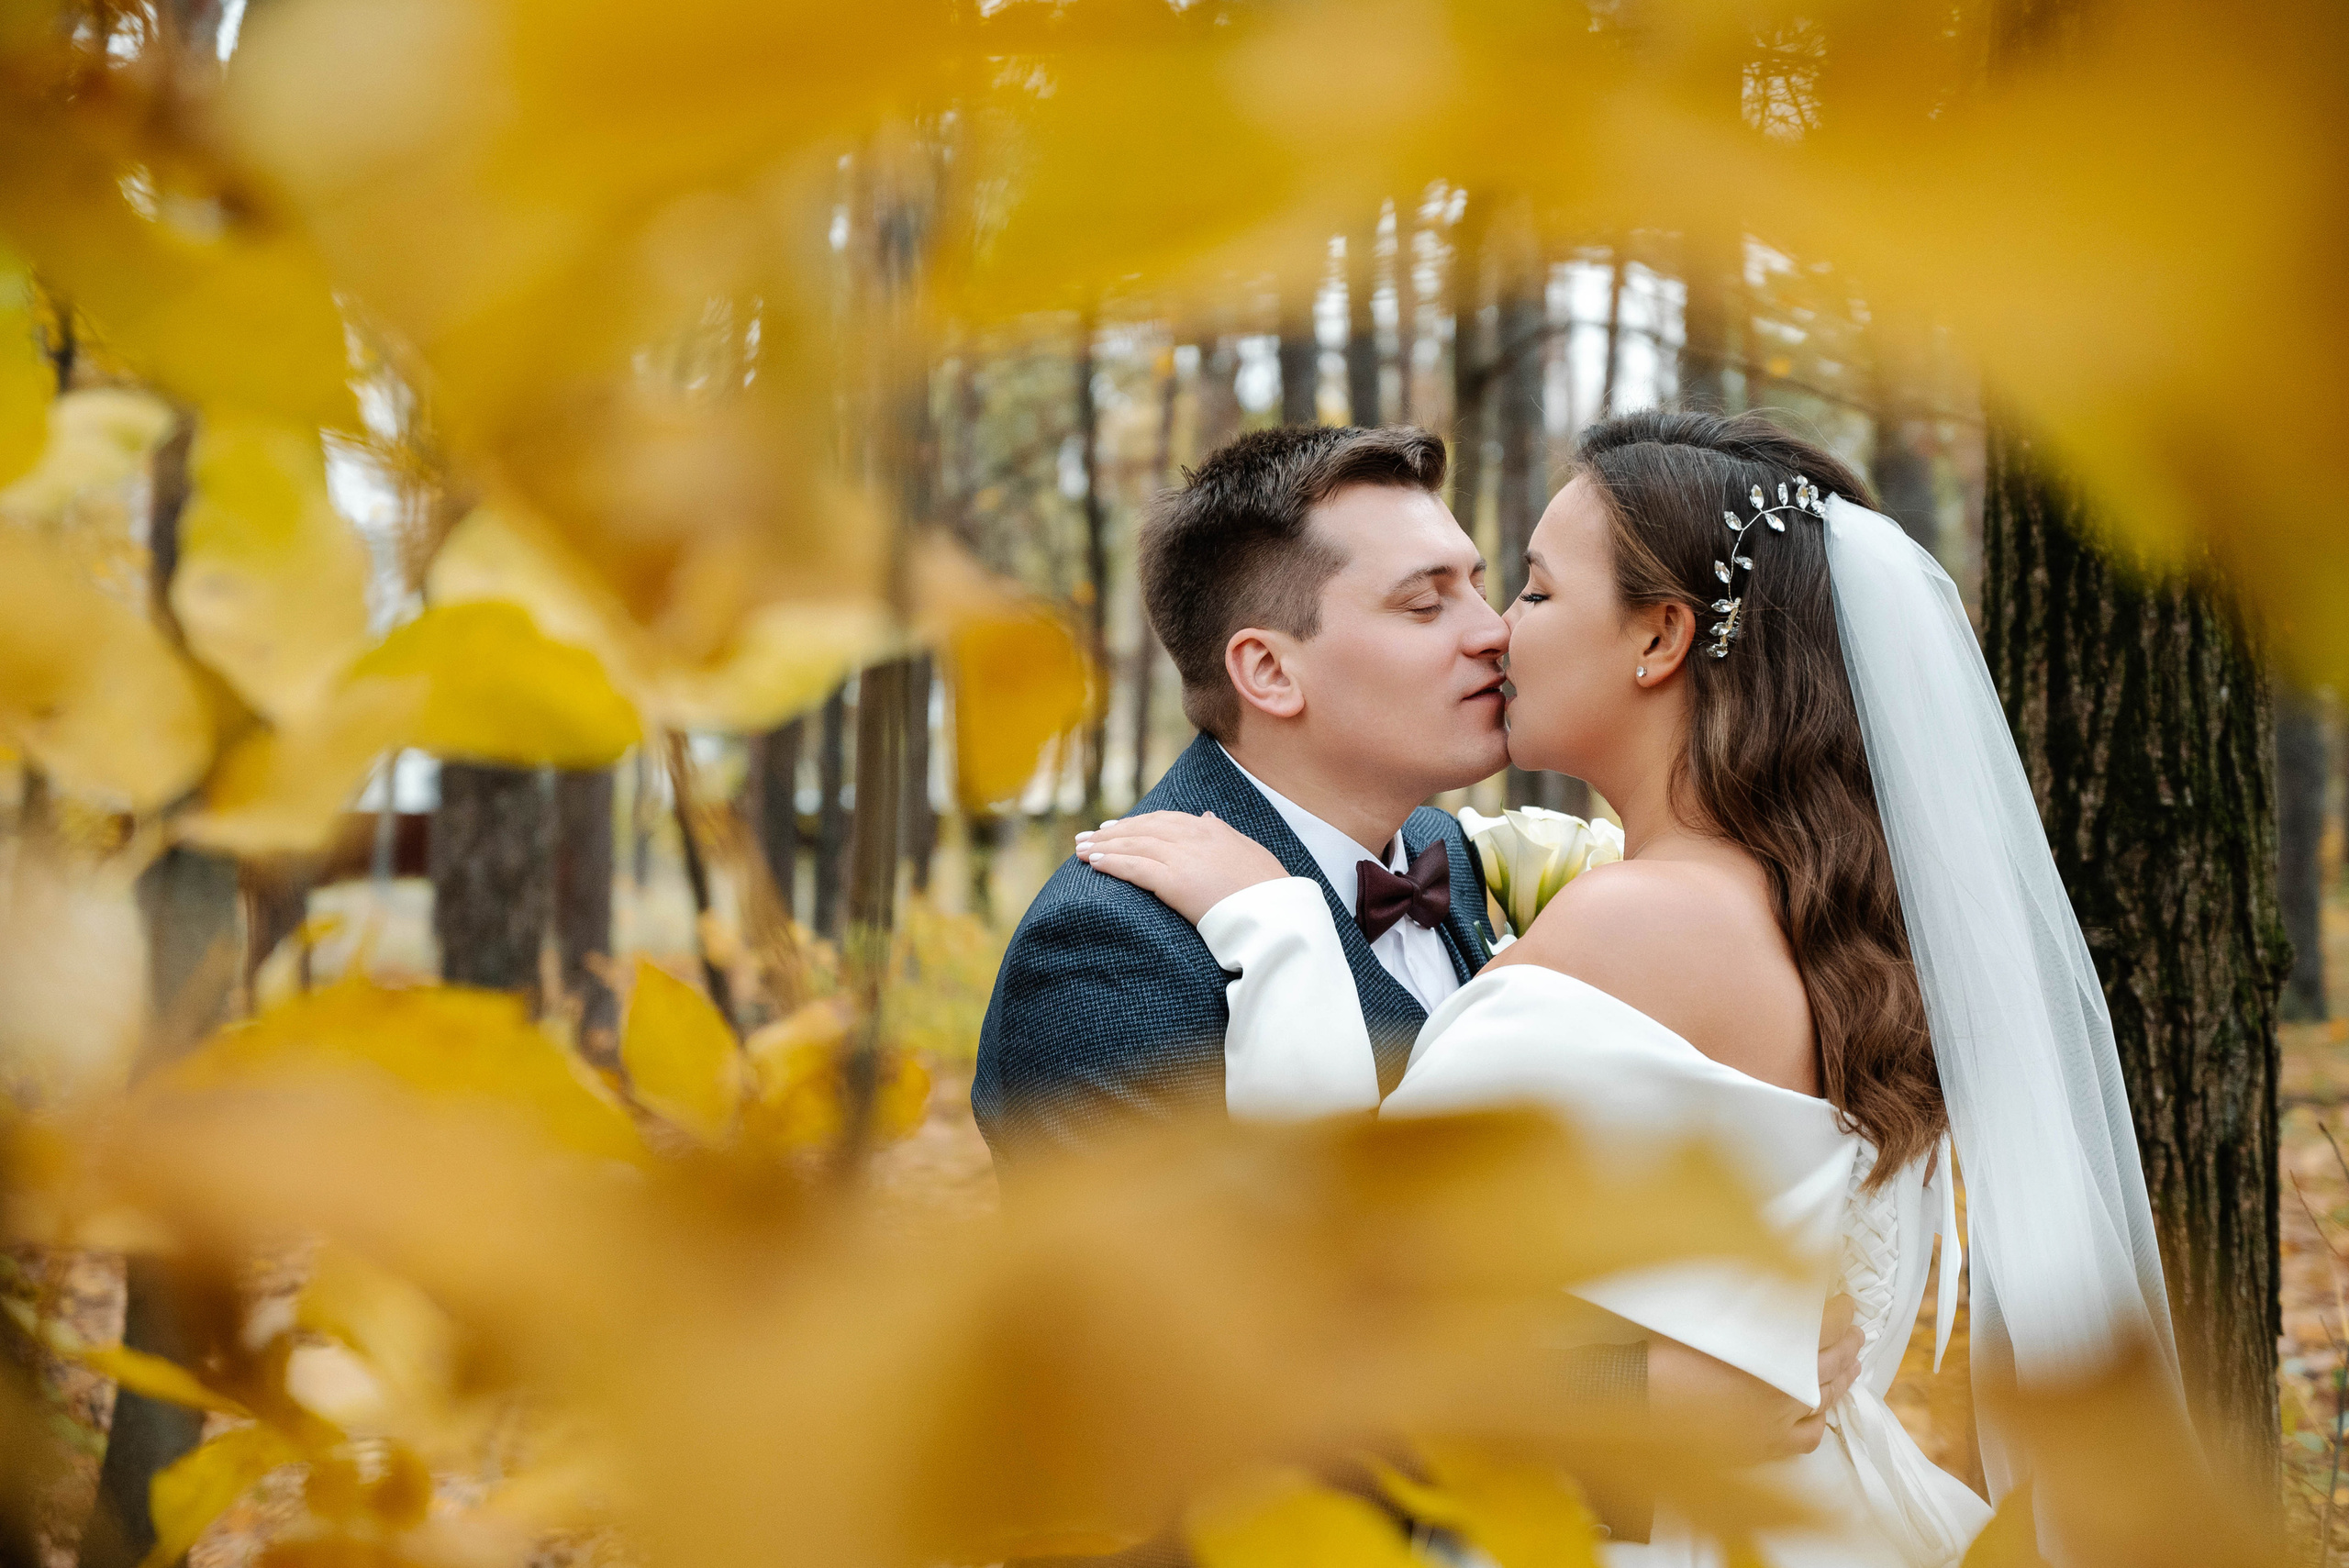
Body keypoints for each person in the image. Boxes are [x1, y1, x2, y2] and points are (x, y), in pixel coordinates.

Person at [1079, 410, 2187, 1566]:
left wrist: (1276, 927)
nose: (1496, 632)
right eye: (1436, 600)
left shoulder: (1634, 921)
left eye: (1534, 591)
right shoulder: (1813, 912)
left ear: (1659, 637)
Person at [974, 423, 1870, 1544]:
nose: (1492, 633)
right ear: (1267, 668)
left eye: (1495, 590)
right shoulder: (1114, 950)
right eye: (1424, 602)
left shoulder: (1457, 871)